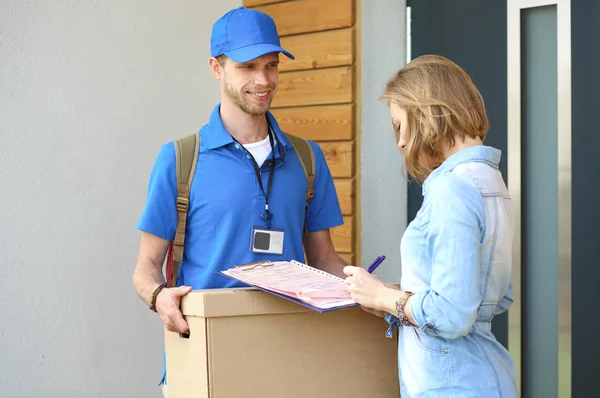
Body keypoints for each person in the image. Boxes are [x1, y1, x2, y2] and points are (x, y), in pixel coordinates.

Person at [132, 6, 348, 396]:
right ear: (216, 68)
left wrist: (362, 290)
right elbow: (145, 268)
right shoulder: (180, 159)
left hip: (291, 358)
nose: (263, 80)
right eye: (247, 67)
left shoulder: (307, 158)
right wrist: (159, 297)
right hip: (202, 356)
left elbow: (324, 257)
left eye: (271, 65)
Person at [344, 55, 517, 397]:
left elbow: (453, 314)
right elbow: (494, 296)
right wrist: (395, 297)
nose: (400, 143)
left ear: (423, 112)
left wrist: (383, 296)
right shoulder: (490, 181)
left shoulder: (452, 188)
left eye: (398, 125)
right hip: (483, 376)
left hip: (453, 383)